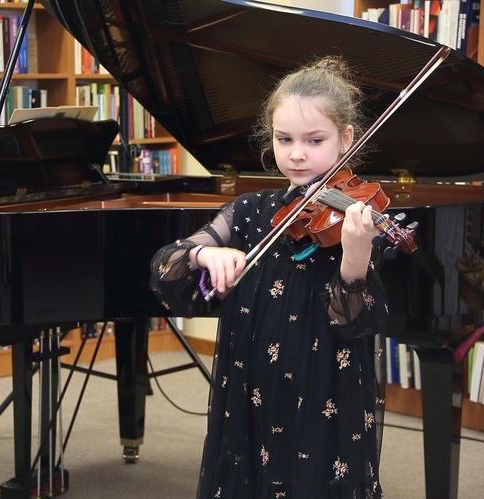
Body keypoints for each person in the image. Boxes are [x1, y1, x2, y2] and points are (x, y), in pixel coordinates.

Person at [150, 56, 388, 498]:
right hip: (251, 379)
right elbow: (167, 266)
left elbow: (355, 323)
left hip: (324, 387)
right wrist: (205, 255)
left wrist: (355, 254)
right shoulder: (250, 211)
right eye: (284, 139)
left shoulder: (354, 219)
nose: (297, 153)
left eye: (315, 140)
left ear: (346, 141)